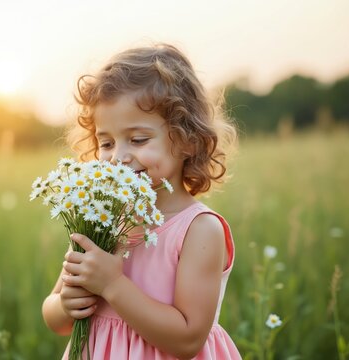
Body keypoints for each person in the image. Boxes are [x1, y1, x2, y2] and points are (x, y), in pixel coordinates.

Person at [42, 43, 241, 359]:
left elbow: (188, 339)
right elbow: (55, 317)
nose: (118, 157)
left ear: (188, 139)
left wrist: (112, 285)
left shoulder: (199, 230)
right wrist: (67, 303)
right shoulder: (100, 220)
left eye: (138, 139)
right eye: (106, 143)